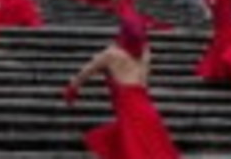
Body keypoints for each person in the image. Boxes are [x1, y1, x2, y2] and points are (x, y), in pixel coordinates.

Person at [63, 16, 180, 159]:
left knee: (135, 144)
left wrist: (73, 87)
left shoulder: (112, 54)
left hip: (129, 103)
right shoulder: (145, 52)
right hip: (144, 103)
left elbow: (87, 70)